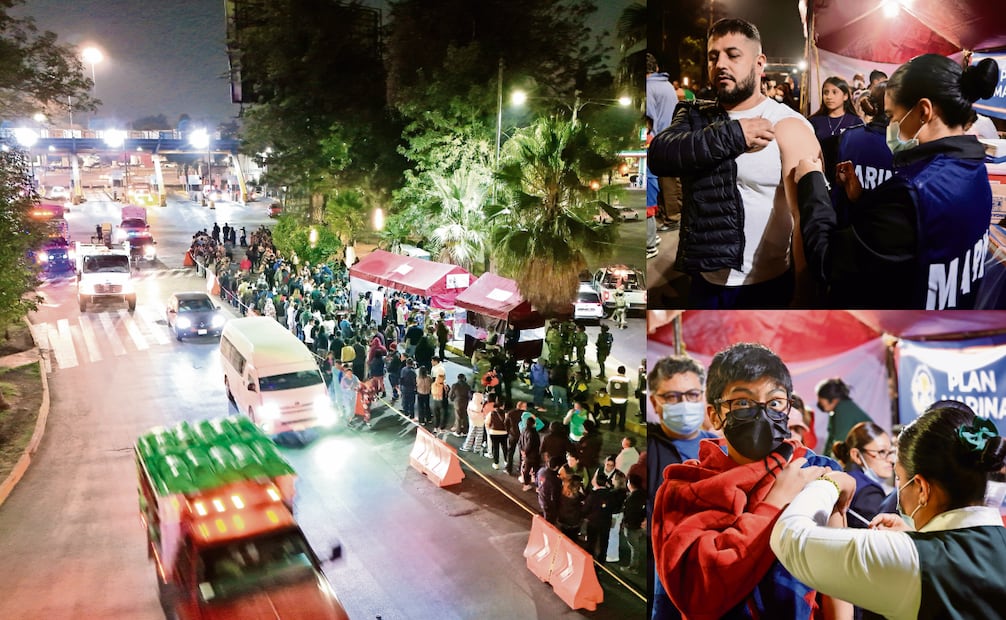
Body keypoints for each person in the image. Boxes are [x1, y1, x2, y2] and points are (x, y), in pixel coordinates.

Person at [652, 342, 842, 620]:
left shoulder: (813, 470)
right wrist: (775, 502)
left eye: (775, 402)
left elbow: (836, 580)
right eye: (743, 402)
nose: (762, 414)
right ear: (715, 415)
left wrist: (839, 487)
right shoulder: (684, 490)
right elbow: (697, 595)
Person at [795, 54, 999, 309]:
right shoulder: (973, 167)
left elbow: (827, 260)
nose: (890, 126)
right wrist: (863, 198)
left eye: (892, 116)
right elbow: (921, 236)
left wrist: (811, 181)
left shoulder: (913, 191)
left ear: (923, 111)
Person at [770, 403, 1006, 619]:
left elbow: (790, 539)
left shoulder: (914, 561)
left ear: (922, 489)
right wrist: (915, 537)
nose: (898, 490)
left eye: (899, 478)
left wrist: (829, 483)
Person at [647, 18, 821, 308]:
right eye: (713, 57)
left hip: (767, 284)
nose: (720, 64)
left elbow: (806, 216)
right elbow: (660, 156)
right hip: (704, 281)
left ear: (759, 63)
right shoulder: (695, 116)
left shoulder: (787, 125)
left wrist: (804, 291)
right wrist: (735, 134)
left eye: (733, 55)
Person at [646, 52, 681, 259]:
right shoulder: (667, 85)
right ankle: (672, 216)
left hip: (659, 140)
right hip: (673, 136)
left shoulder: (649, 87)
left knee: (664, 182)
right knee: (671, 181)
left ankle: (672, 218)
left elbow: (649, 118)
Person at [832, 421, 894, 528]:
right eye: (882, 452)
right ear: (856, 455)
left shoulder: (844, 477)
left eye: (890, 452)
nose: (891, 460)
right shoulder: (868, 493)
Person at [817, 378, 872, 459]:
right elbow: (831, 441)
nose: (819, 403)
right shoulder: (837, 411)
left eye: (821, 400)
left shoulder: (843, 409)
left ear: (834, 400)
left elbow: (840, 444)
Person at [808, 76, 863, 156]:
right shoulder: (814, 121)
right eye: (826, 92)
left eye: (834, 92)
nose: (829, 97)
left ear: (845, 96)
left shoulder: (856, 122)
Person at [621, 473, 647, 575]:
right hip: (641, 525)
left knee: (634, 547)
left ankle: (633, 567)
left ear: (630, 484)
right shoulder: (644, 494)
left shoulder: (631, 498)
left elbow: (629, 513)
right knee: (639, 546)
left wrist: (625, 523)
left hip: (632, 526)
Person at [537, 455, 564, 523]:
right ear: (557, 467)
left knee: (545, 513)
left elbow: (537, 482)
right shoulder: (555, 480)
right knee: (549, 520)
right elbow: (555, 496)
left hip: (541, 497)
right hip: (549, 503)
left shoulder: (541, 471)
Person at [519, 412, 543, 491]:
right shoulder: (533, 433)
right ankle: (537, 486)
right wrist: (526, 451)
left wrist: (523, 451)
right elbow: (530, 444)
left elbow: (520, 442)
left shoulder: (523, 430)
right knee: (536, 471)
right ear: (533, 424)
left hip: (526, 455)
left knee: (526, 470)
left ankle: (526, 484)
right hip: (533, 455)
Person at [607, 365, 631, 432]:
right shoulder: (627, 380)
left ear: (618, 371)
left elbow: (608, 389)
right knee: (622, 415)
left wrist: (611, 394)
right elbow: (631, 391)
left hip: (613, 399)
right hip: (623, 400)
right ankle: (621, 428)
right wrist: (627, 395)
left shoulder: (611, 378)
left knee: (613, 414)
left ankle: (612, 427)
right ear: (624, 372)